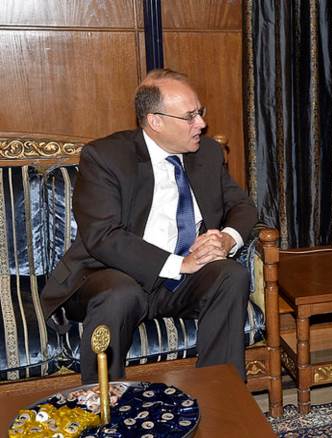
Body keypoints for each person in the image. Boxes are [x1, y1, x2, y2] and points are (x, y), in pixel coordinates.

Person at [41, 69, 257, 384]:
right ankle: (104, 403)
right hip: (110, 273)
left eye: (200, 112)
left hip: (180, 282)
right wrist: (180, 263)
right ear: (155, 121)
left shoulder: (207, 153)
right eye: (190, 116)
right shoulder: (106, 157)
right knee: (121, 294)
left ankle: (220, 394)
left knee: (230, 275)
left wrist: (226, 239)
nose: (201, 123)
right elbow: (103, 236)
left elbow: (243, 206)